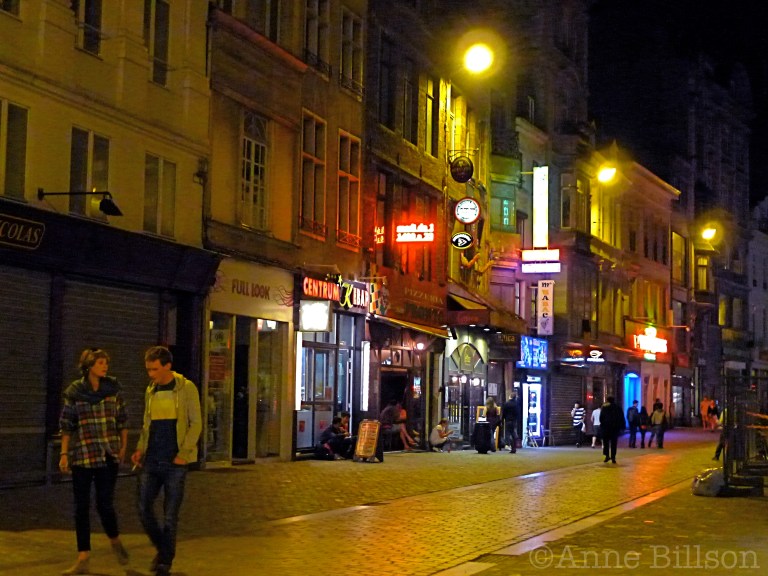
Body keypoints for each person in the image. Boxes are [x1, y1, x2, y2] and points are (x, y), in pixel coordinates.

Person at [131, 346, 202, 576]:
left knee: (170, 513)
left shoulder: (186, 388)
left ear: (167, 366)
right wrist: (140, 449)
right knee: (143, 507)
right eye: (148, 369)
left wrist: (184, 453)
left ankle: (165, 561)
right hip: (152, 459)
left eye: (154, 369)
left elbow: (196, 423)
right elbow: (147, 424)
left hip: (175, 461)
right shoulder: (150, 390)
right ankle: (164, 549)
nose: (150, 374)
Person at [59, 348, 130, 575]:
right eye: (100, 363)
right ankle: (83, 557)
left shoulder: (113, 390)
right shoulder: (76, 392)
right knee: (81, 507)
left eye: (106, 363)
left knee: (104, 503)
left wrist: (123, 447)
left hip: (108, 454)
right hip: (83, 454)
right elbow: (67, 426)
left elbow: (123, 421)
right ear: (89, 366)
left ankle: (115, 540)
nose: (105, 367)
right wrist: (63, 454)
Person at [600, 396, 625, 464]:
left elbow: (601, 418)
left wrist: (603, 425)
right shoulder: (618, 408)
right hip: (615, 428)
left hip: (606, 428)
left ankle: (607, 456)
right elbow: (621, 417)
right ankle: (613, 457)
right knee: (614, 443)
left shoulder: (604, 408)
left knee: (606, 442)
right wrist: (622, 427)